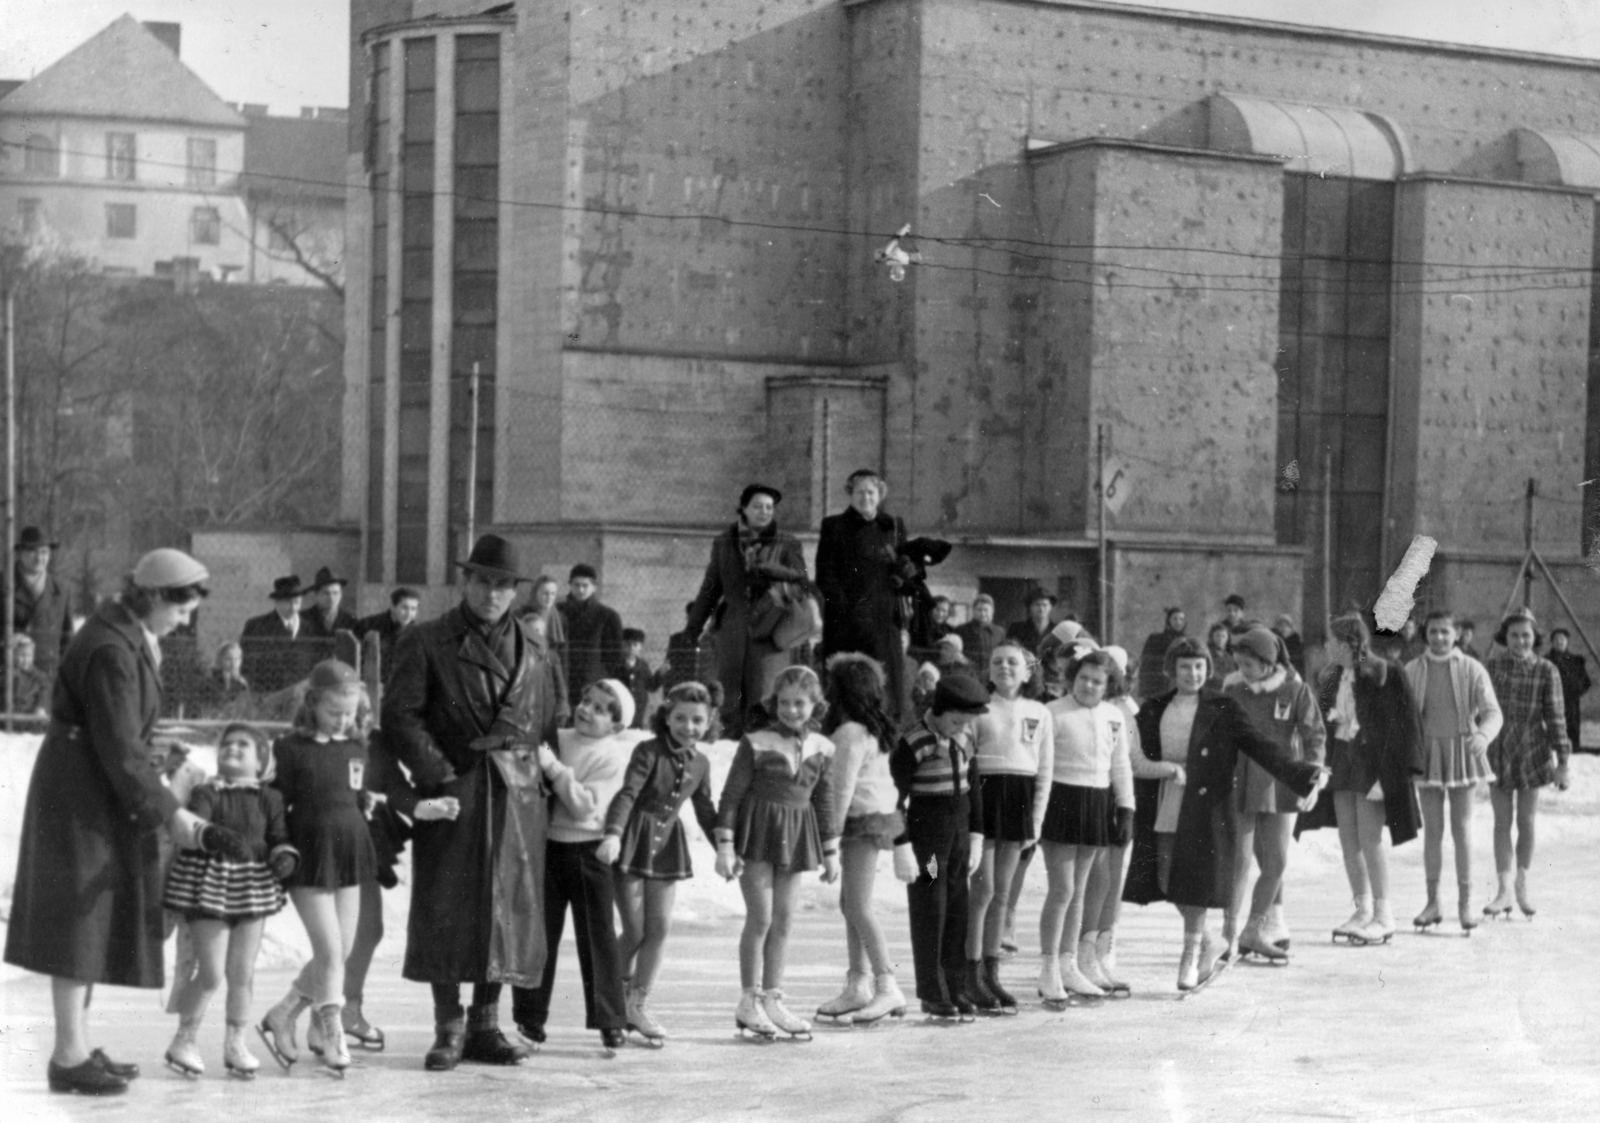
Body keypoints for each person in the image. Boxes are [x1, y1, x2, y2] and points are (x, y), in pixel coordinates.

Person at [5, 547, 223, 1096]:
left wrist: (154, 752)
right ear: (151, 596)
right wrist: (171, 816)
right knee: (78, 920)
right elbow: (121, 748)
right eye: (179, 609)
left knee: (92, 917)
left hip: (93, 784)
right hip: (82, 794)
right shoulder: (110, 647)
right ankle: (67, 1055)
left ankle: (75, 1044)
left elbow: (124, 733)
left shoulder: (124, 634)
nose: (183, 621)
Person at [384, 534, 566, 1071]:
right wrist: (440, 775)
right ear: (465, 582)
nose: (493, 592)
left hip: (517, 792)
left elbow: (546, 722)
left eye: (504, 584)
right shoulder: (426, 640)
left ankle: (487, 1024)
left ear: (516, 591)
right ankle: (449, 1024)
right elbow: (399, 718)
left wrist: (542, 781)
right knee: (448, 904)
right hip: (456, 789)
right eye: (483, 581)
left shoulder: (535, 649)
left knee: (505, 906)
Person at [1123, 637, 1326, 990]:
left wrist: (1303, 775)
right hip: (1165, 799)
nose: (1193, 673)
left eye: (1199, 666)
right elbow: (1133, 756)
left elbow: (1260, 746)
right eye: (1185, 667)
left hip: (1203, 804)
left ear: (1208, 669)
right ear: (1172, 670)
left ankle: (1190, 955)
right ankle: (1208, 942)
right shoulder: (1154, 707)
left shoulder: (1222, 706)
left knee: (1194, 882)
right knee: (1165, 877)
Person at [253, 661, 376, 1077]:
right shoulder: (289, 748)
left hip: (350, 850)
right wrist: (279, 844)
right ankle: (331, 1033)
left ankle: (283, 1013)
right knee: (329, 951)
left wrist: (364, 804)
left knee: (340, 950)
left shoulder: (357, 746)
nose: (343, 720)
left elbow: (353, 793)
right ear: (312, 705)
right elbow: (272, 804)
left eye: (349, 713)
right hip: (309, 853)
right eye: (334, 712)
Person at [161, 723, 297, 1079]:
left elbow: (279, 834)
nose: (232, 748)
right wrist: (216, 836)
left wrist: (284, 855)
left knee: (242, 973)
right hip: (207, 886)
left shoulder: (270, 798)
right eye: (227, 744)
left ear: (260, 760)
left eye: (243, 745)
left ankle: (235, 1042)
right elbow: (195, 824)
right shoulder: (207, 791)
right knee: (210, 972)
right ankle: (184, 1039)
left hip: (252, 887)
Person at [716, 665, 840, 1038]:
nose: (790, 710)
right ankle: (748, 1000)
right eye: (784, 702)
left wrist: (830, 851)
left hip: (797, 833)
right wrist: (725, 845)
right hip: (757, 832)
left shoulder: (824, 747)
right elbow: (731, 796)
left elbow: (824, 800)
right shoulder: (756, 741)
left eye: (799, 703)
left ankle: (772, 998)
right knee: (762, 918)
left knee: (784, 920)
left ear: (814, 704)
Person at [598, 681, 721, 1045]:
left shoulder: (701, 762)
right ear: (666, 716)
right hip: (633, 841)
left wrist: (725, 850)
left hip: (667, 846)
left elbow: (705, 810)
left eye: (697, 720)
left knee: (660, 929)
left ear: (709, 721)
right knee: (635, 930)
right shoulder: (647, 751)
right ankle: (611, 1003)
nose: (688, 726)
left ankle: (638, 1004)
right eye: (680, 717)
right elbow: (627, 793)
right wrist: (613, 834)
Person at [515, 680, 635, 1050]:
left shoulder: (611, 756)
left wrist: (554, 767)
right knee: (541, 938)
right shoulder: (560, 738)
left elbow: (584, 807)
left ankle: (610, 1019)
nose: (586, 709)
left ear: (615, 726)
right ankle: (529, 1018)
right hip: (547, 849)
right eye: (586, 700)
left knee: (597, 938)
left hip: (588, 853)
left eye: (600, 709)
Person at [1295, 613, 1422, 945]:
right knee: (1349, 840)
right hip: (1342, 763)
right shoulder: (1332, 679)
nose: (1325, 646)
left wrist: (1392, 777)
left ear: (1348, 643)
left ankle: (1384, 914)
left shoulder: (1385, 673)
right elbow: (1320, 724)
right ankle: (1362, 908)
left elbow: (1405, 727)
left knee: (1370, 840)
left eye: (1330, 640)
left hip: (1373, 767)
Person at [1221, 626, 1326, 961]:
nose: (1242, 672)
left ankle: (1254, 928)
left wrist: (1311, 776)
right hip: (1238, 780)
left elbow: (1315, 737)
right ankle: (1227, 934)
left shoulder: (1295, 690)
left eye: (1248, 666)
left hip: (1279, 782)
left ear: (1268, 663)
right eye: (1238, 664)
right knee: (1239, 861)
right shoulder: (1233, 690)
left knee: (1277, 862)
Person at [816, 653, 909, 1025]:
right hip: (869, 818)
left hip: (860, 821)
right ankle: (859, 984)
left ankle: (887, 985)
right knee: (851, 904)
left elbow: (841, 789)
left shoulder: (851, 733)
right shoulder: (867, 729)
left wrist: (830, 839)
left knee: (858, 906)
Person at [889, 674, 989, 1019]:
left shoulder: (963, 738)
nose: (962, 727)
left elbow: (974, 787)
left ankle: (956, 986)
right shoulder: (915, 741)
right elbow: (893, 798)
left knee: (958, 908)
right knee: (933, 907)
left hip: (959, 837)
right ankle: (933, 991)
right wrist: (900, 842)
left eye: (967, 722)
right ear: (939, 709)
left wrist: (977, 834)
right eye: (957, 720)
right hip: (929, 843)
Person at [1038, 648, 1133, 1003]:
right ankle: (1048, 968)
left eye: (1097, 681)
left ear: (1109, 685)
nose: (1089, 685)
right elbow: (1041, 767)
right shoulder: (1053, 712)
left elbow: (1120, 765)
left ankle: (1068, 964)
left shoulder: (1113, 716)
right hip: (1062, 800)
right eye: (1083, 678)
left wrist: (1126, 808)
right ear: (1071, 678)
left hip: (1097, 804)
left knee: (1079, 890)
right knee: (1062, 889)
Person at [967, 642, 1053, 1013]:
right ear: (988, 670)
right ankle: (970, 972)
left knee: (1003, 893)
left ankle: (991, 971)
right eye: (997, 661)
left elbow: (1045, 771)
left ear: (1028, 671)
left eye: (1013, 662)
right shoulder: (977, 709)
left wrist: (1035, 822)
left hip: (1019, 799)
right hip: (984, 797)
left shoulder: (1040, 712)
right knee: (982, 890)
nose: (1005, 667)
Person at [684, 483, 810, 737]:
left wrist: (777, 573)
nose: (764, 512)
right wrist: (692, 628)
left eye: (769, 507)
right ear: (743, 508)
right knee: (729, 694)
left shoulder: (787, 543)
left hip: (771, 629)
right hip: (733, 627)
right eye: (757, 506)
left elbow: (803, 583)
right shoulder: (724, 543)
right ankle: (728, 748)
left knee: (765, 695)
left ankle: (765, 750)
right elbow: (710, 589)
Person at [1403, 611, 1501, 933]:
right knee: (1433, 831)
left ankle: (1465, 904)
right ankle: (1433, 903)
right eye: (1433, 632)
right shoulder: (1413, 669)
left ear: (1456, 634)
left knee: (1462, 830)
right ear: (1425, 634)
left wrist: (1483, 735)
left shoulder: (1472, 668)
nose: (1439, 638)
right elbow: (1401, 717)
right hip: (1427, 755)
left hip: (1462, 753)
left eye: (1445, 632)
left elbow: (1492, 713)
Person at [1482, 609, 1572, 919]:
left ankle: (1521, 883)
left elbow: (1556, 717)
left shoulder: (1547, 670)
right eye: (1514, 635)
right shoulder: (1492, 668)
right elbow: (1480, 711)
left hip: (1533, 748)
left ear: (1535, 639)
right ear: (1504, 638)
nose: (1520, 641)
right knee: (1501, 821)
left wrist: (1563, 761)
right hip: (1499, 747)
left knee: (1527, 821)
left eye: (1526, 635)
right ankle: (1504, 889)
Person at [817, 469, 910, 717]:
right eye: (859, 492)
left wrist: (907, 569)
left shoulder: (894, 526)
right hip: (846, 624)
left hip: (883, 622)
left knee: (885, 690)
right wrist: (846, 609)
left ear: (880, 494)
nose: (865, 498)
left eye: (871, 492)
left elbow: (906, 570)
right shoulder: (834, 526)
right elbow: (825, 575)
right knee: (846, 689)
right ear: (850, 494)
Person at [6, 525, 74, 682]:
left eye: (44, 552)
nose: (39, 558)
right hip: (9, 680)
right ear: (20, 553)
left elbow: (68, 639)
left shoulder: (61, 590)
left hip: (47, 680)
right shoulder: (5, 586)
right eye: (32, 551)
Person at [559, 564, 626, 710]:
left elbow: (615, 658)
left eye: (585, 585)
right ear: (569, 585)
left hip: (592, 683)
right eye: (576, 585)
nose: (581, 590)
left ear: (594, 587)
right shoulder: (558, 612)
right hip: (562, 680)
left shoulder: (608, 616)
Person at [240, 576, 308, 694]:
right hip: (268, 695)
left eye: (297, 602)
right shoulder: (257, 626)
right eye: (288, 602)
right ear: (277, 602)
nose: (293, 608)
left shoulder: (309, 628)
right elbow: (247, 665)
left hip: (302, 697)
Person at [354, 587, 420, 681]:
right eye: (404, 608)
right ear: (393, 606)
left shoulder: (416, 632)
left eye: (413, 609)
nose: (409, 614)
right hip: (370, 682)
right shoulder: (368, 625)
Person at [1546, 629, 1590, 754]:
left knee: (1572, 728)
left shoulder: (1576, 661)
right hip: (1551, 702)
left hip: (1571, 703)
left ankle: (1574, 752)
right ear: (1552, 642)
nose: (1559, 642)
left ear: (1567, 642)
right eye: (1556, 639)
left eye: (1562, 639)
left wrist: (1576, 691)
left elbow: (1586, 682)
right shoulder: (1546, 660)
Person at [1136, 607, 1187, 701]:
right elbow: (1146, 663)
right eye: (1175, 618)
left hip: (1180, 686)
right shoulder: (1155, 639)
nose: (1178, 622)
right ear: (1168, 621)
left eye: (1181, 619)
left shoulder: (1188, 641)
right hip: (1158, 685)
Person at [300, 567, 359, 638]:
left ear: (341, 595)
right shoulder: (302, 619)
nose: (331, 598)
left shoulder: (350, 622)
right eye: (326, 593)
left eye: (335, 593)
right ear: (316, 594)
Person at [955, 594, 1006, 673]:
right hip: (968, 673)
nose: (983, 613)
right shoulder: (961, 630)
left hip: (992, 674)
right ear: (974, 610)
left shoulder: (1000, 632)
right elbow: (956, 654)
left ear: (992, 611)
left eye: (986, 610)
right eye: (979, 610)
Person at [618, 627, 655, 729]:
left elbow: (651, 685)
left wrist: (660, 674)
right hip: (621, 703)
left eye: (635, 645)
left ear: (640, 647)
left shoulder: (642, 665)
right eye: (627, 645)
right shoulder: (616, 664)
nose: (631, 648)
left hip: (639, 704)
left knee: (636, 728)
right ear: (621, 645)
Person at [1005, 587, 1057, 660]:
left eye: (1045, 605)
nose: (1041, 608)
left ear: (1050, 607)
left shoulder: (1058, 629)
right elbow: (1009, 651)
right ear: (1030, 607)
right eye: (1037, 605)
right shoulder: (1016, 629)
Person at [8, 633, 52, 714]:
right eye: (22, 655)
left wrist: (41, 707)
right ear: (13, 655)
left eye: (29, 656)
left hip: (29, 717)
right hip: (9, 716)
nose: (26, 659)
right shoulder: (7, 674)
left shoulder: (39, 677)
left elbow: (44, 693)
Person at [1205, 622, 1235, 689]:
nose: (1220, 639)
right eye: (1217, 635)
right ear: (1212, 637)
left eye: (1223, 636)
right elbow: (1210, 675)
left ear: (1227, 639)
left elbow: (1233, 674)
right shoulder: (1206, 655)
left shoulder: (1229, 657)